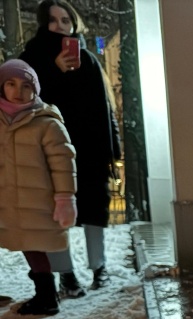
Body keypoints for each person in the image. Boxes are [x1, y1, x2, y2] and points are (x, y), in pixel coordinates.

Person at [19, 0, 120, 295]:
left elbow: (104, 108)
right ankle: (66, 274)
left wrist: (111, 150)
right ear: (42, 23)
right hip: (49, 151)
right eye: (54, 20)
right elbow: (25, 103)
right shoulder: (31, 59)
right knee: (55, 214)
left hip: (89, 150)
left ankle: (99, 267)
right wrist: (53, 70)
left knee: (94, 209)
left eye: (66, 20)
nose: (61, 26)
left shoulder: (87, 59)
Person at [0, 59, 77, 316]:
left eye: (26, 85)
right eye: (10, 84)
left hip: (35, 201)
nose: (18, 91)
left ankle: (46, 295)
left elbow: (62, 162)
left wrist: (65, 197)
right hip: (4, 198)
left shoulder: (46, 123)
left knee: (33, 245)